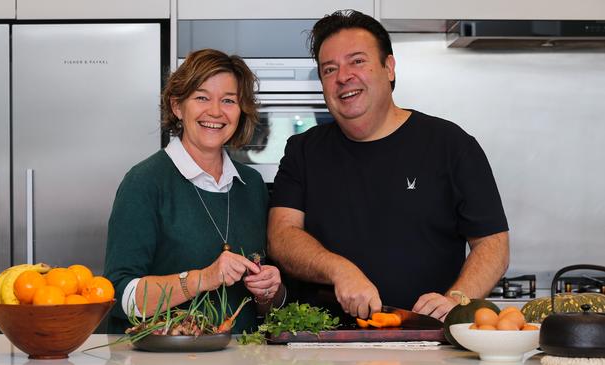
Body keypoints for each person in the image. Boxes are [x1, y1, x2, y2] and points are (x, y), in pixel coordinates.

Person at [268, 10, 509, 321]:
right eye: (329, 69)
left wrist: (458, 299)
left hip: (427, 341)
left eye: (357, 61)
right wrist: (339, 269)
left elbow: (493, 245)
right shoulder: (303, 150)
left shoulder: (451, 145)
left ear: (389, 68)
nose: (343, 77)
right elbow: (282, 236)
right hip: (322, 341)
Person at [104, 49, 286, 334]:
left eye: (228, 100)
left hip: (241, 356)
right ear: (177, 106)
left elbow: (263, 307)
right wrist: (204, 278)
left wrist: (270, 291)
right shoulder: (144, 182)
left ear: (241, 111)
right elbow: (119, 295)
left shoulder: (251, 186)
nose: (215, 111)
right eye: (202, 97)